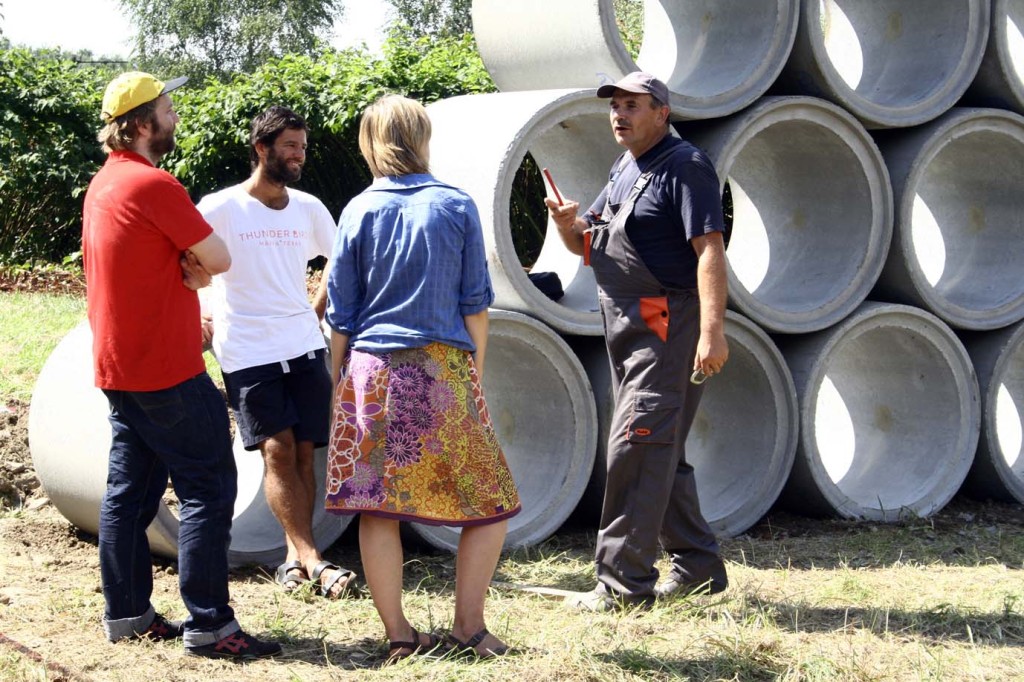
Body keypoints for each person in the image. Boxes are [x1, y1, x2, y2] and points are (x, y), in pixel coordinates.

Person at [82, 71, 281, 659]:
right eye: (167, 106)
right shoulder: (154, 184)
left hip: (119, 364)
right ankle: (212, 626)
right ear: (143, 123)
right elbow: (218, 256)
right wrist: (195, 267)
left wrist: (185, 268)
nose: (174, 113)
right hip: (166, 369)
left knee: (130, 494)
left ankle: (128, 615)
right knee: (208, 489)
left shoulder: (104, 183)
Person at [324, 95, 521, 662]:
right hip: (441, 371)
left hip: (370, 373)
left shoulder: (358, 209)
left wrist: (338, 377)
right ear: (423, 138)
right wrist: (472, 372)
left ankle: (400, 636)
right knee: (490, 501)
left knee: (377, 507)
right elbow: (475, 303)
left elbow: (342, 311)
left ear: (369, 142)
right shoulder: (456, 205)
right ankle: (469, 626)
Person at [545, 72, 730, 611]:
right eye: (615, 106)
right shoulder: (627, 166)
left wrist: (713, 333)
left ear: (662, 113)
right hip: (629, 329)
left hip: (668, 326)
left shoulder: (686, 167)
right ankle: (697, 567)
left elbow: (710, 252)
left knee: (637, 444)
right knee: (657, 445)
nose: (619, 115)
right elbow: (590, 243)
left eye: (632, 105)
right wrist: (565, 225)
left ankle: (623, 583)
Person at [197, 106, 356, 600]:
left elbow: (340, 258)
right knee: (277, 449)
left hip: (304, 345)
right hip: (246, 348)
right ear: (261, 148)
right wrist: (202, 314)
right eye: (289, 146)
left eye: (302, 147)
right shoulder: (219, 208)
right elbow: (190, 263)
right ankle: (313, 557)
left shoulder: (308, 207)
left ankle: (294, 560)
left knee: (305, 453)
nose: (298, 156)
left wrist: (316, 306)